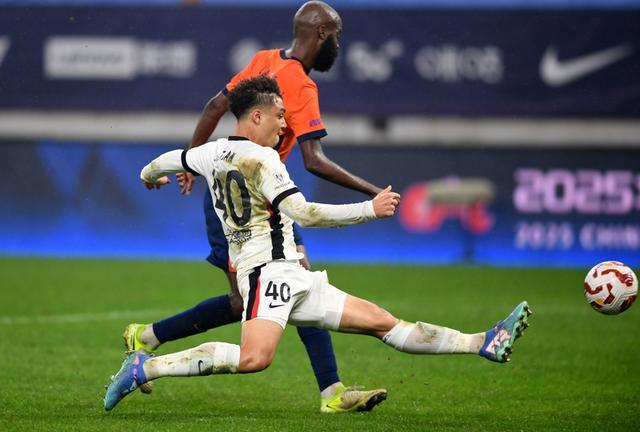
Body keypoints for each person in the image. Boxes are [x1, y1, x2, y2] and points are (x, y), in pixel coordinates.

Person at [104, 75, 532, 412]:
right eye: (279, 116)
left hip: (293, 274)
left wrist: (149, 177)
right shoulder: (263, 159)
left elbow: (163, 162)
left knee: (384, 323)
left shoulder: (208, 152)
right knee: (255, 359)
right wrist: (369, 209)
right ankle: (147, 367)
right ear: (256, 116)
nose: (284, 124)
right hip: (267, 274)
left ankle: (483, 342)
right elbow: (304, 213)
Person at [123, 1, 388, 413]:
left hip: (258, 197)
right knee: (251, 298)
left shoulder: (264, 59)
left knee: (295, 281)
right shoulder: (301, 86)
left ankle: (332, 392)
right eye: (336, 35)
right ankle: (148, 338)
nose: (338, 43)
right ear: (322, 34)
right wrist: (372, 195)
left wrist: (193, 162)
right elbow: (314, 160)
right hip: (244, 204)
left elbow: (214, 106)